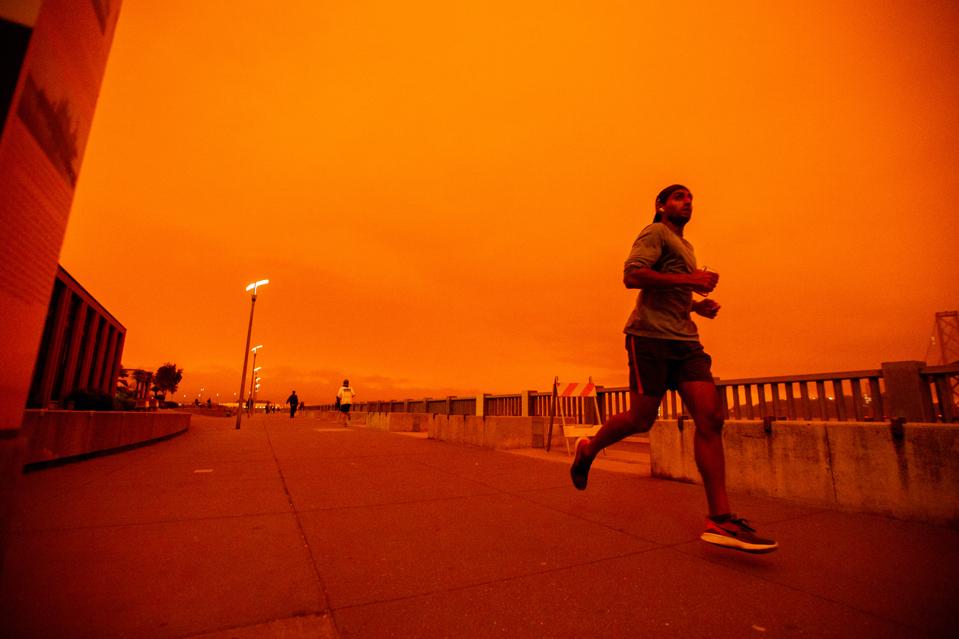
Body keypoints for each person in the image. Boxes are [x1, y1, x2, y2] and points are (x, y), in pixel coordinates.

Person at [570, 184, 778, 554]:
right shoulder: (655, 233)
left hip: (686, 341)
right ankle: (589, 448)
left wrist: (697, 306)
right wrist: (691, 280)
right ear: (661, 205)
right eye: (679, 197)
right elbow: (632, 275)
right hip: (648, 338)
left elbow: (673, 294)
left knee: (711, 418)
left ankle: (721, 519)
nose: (687, 202)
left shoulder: (687, 247)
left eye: (691, 198)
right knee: (641, 419)